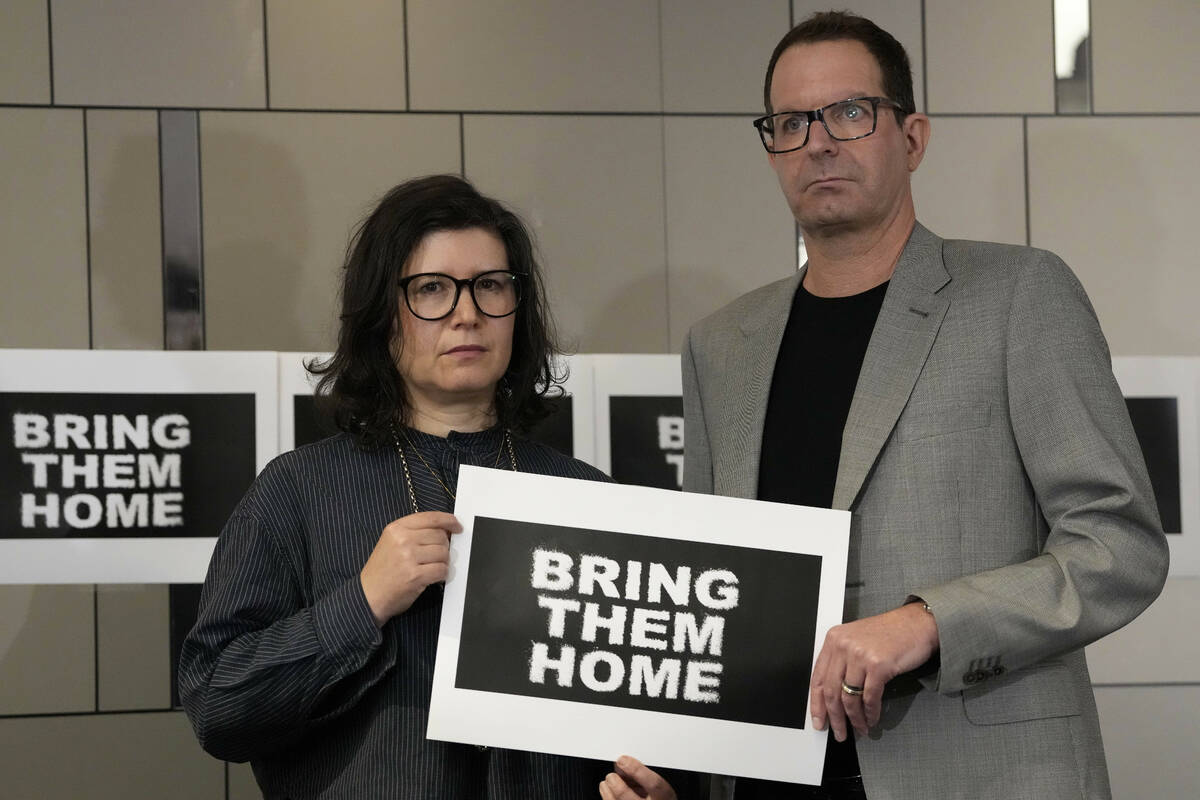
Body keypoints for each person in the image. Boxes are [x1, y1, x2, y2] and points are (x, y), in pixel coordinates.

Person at [609, 10, 1169, 800]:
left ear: (912, 137)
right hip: (773, 775)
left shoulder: (1019, 295)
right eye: (791, 122)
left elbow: (1121, 545)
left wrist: (928, 622)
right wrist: (682, 773)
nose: (818, 142)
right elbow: (717, 596)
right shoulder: (721, 345)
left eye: (849, 112)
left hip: (980, 773)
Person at [179, 175, 615, 798]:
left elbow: (637, 720)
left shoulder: (586, 496)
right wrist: (363, 601)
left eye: (491, 285)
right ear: (383, 316)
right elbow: (218, 708)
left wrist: (645, 783)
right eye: (432, 289)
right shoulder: (298, 491)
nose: (468, 313)